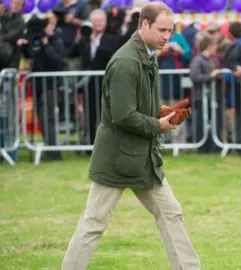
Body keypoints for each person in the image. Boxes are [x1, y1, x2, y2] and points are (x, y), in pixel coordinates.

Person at [61, 2, 201, 270]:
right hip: (116, 157)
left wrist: (163, 112)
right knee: (94, 223)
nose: (167, 37)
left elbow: (135, 107)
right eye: (162, 30)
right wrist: (159, 125)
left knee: (171, 213)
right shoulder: (127, 61)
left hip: (141, 157)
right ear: (144, 24)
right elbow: (122, 116)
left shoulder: (147, 54)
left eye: (170, 31)